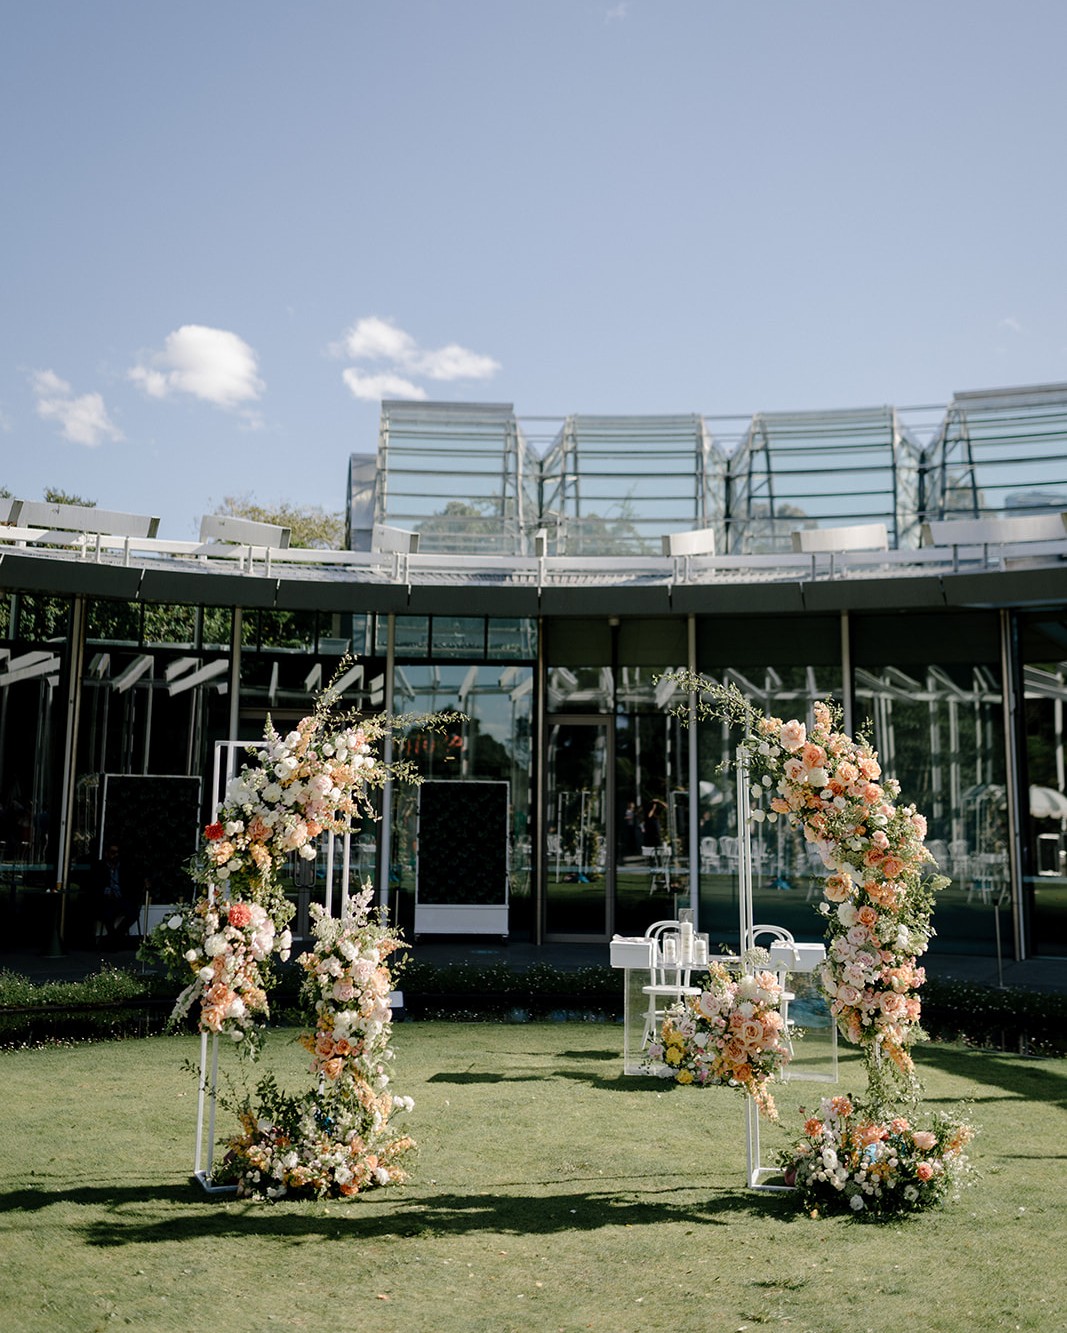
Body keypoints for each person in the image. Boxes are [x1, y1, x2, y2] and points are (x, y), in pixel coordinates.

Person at [91, 843, 143, 947]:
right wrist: (107, 891)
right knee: (108, 913)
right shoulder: (100, 867)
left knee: (133, 913)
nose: (115, 855)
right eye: (113, 853)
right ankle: (114, 939)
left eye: (117, 853)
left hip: (121, 898)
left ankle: (115, 937)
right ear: (106, 854)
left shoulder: (124, 867)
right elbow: (95, 884)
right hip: (106, 899)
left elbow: (131, 882)